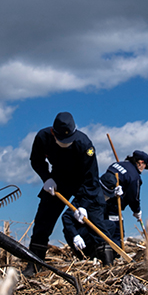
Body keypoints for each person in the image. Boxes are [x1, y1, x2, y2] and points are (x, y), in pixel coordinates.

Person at [26, 112, 107, 274]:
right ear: (53, 133)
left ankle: (107, 263)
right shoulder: (42, 137)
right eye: (61, 140)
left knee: (95, 218)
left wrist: (83, 205)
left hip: (83, 182)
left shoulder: (85, 145)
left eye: (68, 140)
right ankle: (34, 264)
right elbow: (36, 160)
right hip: (57, 180)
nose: (65, 143)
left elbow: (91, 178)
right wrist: (46, 178)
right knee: (44, 218)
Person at [100, 150, 148, 240]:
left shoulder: (116, 164)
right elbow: (133, 198)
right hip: (113, 205)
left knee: (103, 227)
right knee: (117, 234)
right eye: (145, 166)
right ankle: (115, 252)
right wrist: (137, 211)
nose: (143, 168)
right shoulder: (134, 177)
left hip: (100, 201)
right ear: (141, 163)